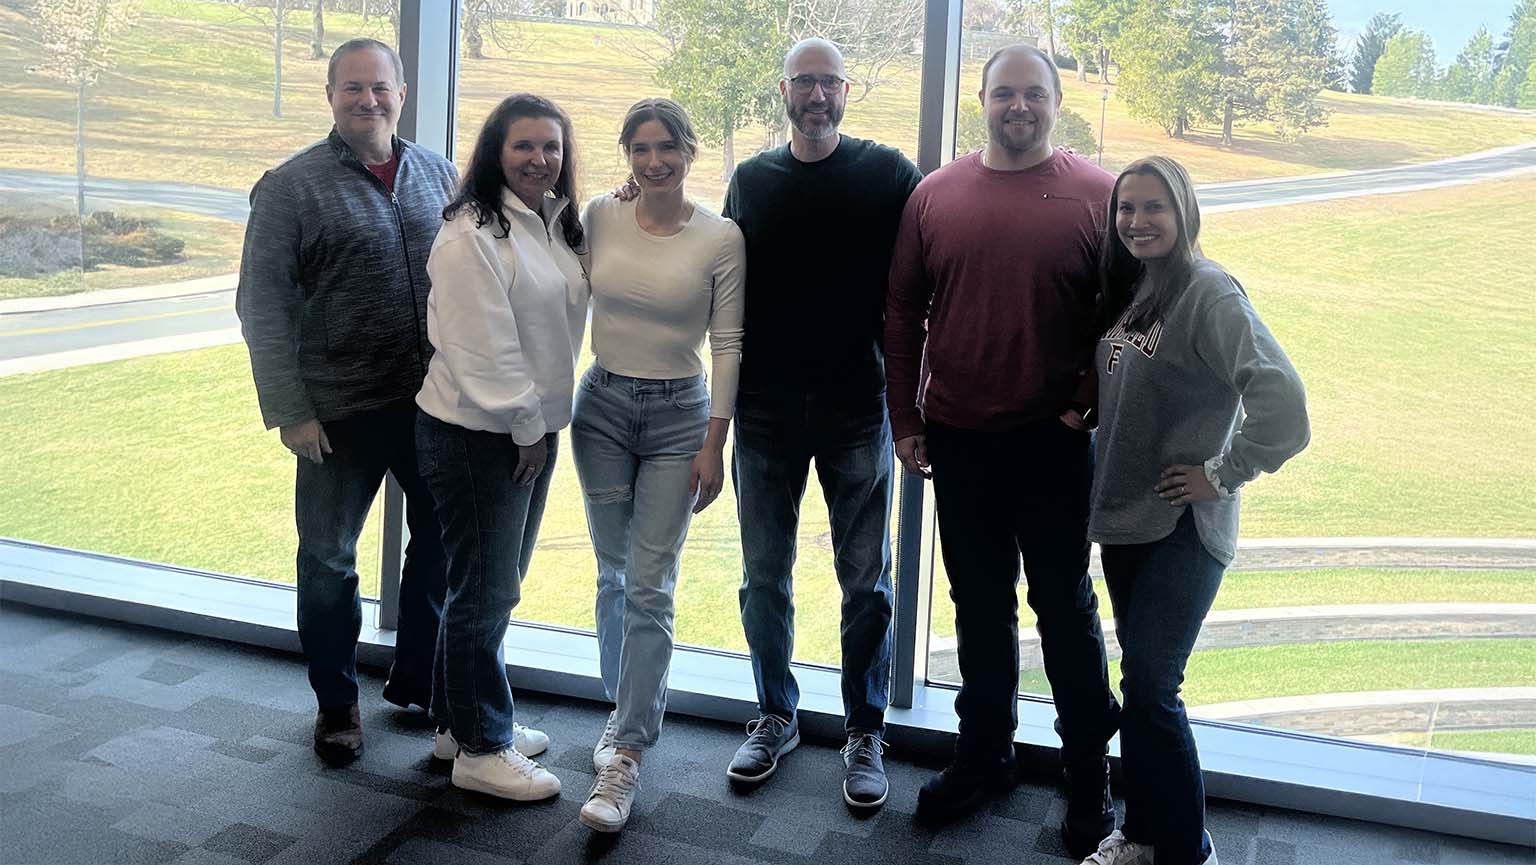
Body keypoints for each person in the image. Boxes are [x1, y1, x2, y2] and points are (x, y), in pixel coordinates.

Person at [884, 44, 1120, 850]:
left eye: (1034, 94)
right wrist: (904, 422)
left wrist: (1087, 401)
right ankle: (984, 757)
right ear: (978, 100)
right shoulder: (935, 195)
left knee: (1065, 610)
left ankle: (1090, 776)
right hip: (960, 439)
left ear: (1059, 101)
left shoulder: (1098, 194)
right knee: (978, 611)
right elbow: (902, 311)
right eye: (1003, 94)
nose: (1018, 106)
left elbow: (1128, 316)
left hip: (1054, 445)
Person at [1079, 156, 1309, 865]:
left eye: (1154, 208)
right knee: (1142, 688)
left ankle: (1185, 848)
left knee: (1152, 685)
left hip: (1183, 525)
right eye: (1126, 209)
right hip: (1125, 518)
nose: (1137, 221)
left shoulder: (1209, 292)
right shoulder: (1136, 287)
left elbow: (1284, 403)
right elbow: (1138, 381)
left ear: (1184, 213)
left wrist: (1223, 471)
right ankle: (1143, 833)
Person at [235, 38, 456, 765]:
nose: (369, 101)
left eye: (381, 88)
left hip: (432, 406)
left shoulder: (437, 172)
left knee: (441, 549)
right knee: (328, 560)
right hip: (336, 413)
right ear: (330, 95)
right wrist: (290, 408)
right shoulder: (290, 186)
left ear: (401, 93)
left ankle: (419, 680)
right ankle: (336, 703)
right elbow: (261, 304)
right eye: (353, 89)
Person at [721, 37, 924, 810]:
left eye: (828, 81)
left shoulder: (889, 174)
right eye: (803, 81)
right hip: (766, 410)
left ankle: (863, 728)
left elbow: (933, 258)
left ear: (847, 91)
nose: (816, 93)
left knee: (865, 581)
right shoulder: (753, 180)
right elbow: (723, 279)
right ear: (783, 90)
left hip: (855, 407)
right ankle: (775, 712)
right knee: (763, 576)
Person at [572, 98, 746, 833]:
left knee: (650, 583)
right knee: (614, 575)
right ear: (626, 155)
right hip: (602, 408)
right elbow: (561, 297)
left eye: (666, 147)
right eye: (639, 149)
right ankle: (621, 716)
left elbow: (730, 344)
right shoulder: (600, 216)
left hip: (680, 415)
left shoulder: (721, 235)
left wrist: (716, 440)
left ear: (689, 151)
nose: (653, 162)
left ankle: (628, 754)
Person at [413, 93, 588, 801]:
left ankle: (458, 721)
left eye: (551, 146)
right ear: (495, 152)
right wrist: (527, 428)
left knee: (484, 584)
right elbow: (484, 348)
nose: (539, 158)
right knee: (486, 590)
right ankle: (482, 750)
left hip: (525, 429)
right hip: (478, 433)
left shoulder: (548, 223)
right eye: (524, 146)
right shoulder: (470, 235)